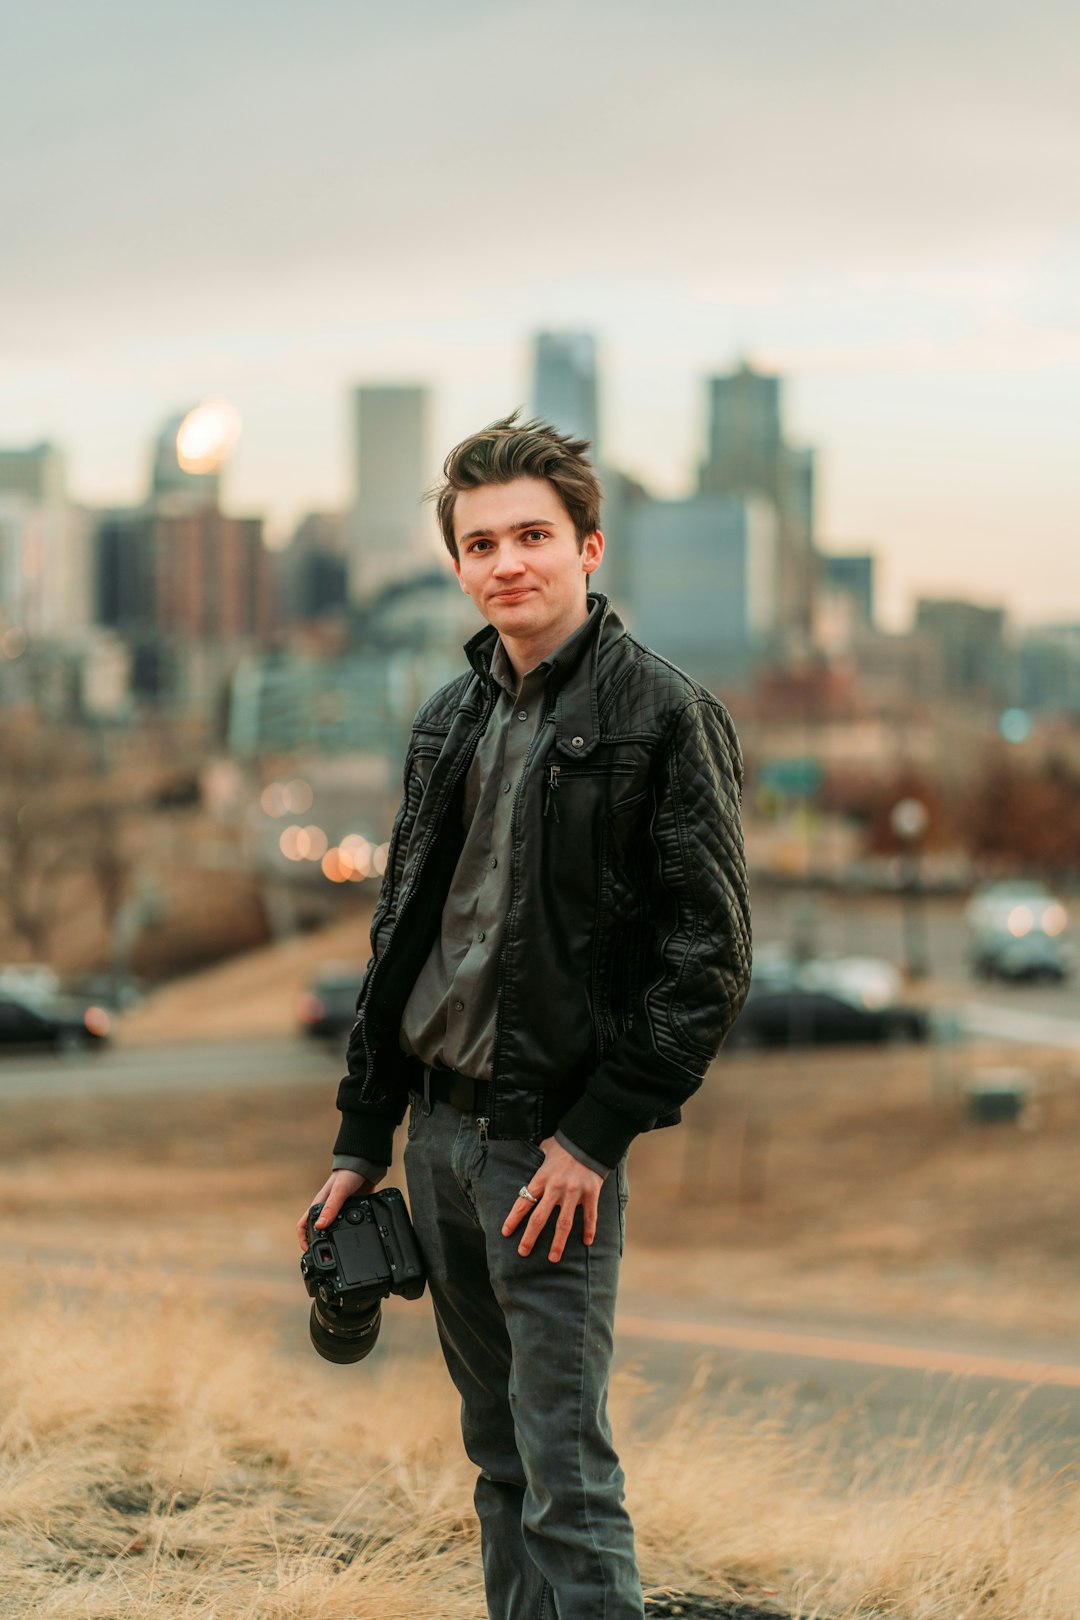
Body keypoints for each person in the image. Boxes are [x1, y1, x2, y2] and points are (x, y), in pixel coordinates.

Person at [298, 414, 752, 1619]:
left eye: (534, 536)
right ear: (457, 563)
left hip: (549, 1155)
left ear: (589, 547)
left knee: (567, 1478)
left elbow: (708, 960)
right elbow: (405, 941)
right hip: (437, 1144)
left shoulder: (663, 715)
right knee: (498, 1465)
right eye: (483, 541)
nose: (509, 561)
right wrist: (361, 1139)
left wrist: (595, 1135)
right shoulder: (449, 717)